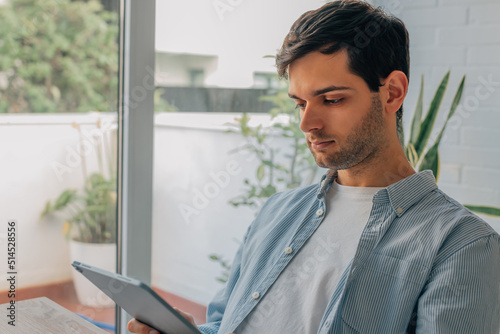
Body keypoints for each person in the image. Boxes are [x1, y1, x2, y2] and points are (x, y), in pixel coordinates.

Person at [128, 1, 500, 333]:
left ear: (392, 93)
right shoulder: (277, 211)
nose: (307, 124)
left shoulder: (462, 246)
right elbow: (227, 323)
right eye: (299, 103)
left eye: (332, 99)